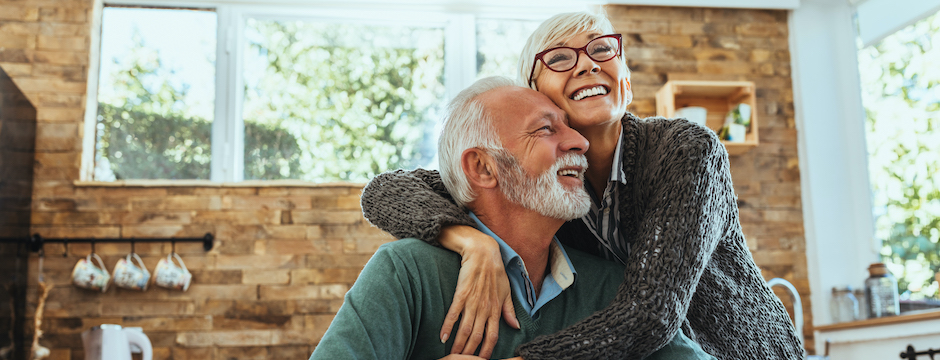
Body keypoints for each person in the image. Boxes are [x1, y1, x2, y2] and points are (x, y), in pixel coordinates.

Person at [360, 10, 804, 360]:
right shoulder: (544, 186)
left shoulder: (686, 150)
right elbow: (385, 190)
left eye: (602, 50)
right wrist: (473, 242)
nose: (588, 64)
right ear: (534, 92)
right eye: (559, 58)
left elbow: (651, 314)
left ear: (624, 80)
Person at [309, 77, 714, 360]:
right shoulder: (406, 274)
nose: (580, 141)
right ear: (484, 169)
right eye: (544, 129)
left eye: (569, 127)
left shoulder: (610, 287)